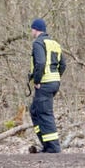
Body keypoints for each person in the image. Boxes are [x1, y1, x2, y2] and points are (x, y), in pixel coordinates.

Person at [29, 18, 67, 153]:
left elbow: (40, 63)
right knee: (34, 110)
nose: (31, 32)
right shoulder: (54, 43)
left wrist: (37, 80)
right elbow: (63, 65)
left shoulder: (38, 43)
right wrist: (56, 77)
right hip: (54, 82)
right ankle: (46, 143)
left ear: (35, 29)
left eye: (32, 29)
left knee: (45, 113)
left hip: (44, 83)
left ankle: (53, 147)